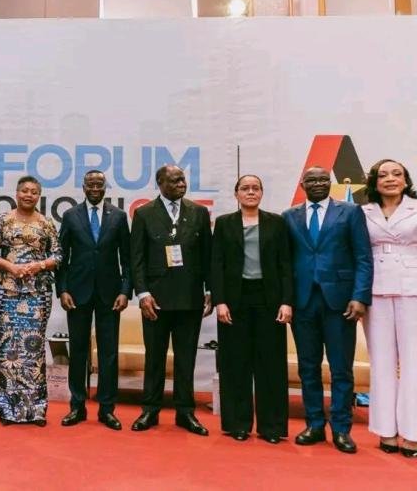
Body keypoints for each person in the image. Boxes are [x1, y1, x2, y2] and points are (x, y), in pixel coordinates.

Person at [282, 166, 373, 454]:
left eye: (324, 179)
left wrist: (359, 296)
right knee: (308, 368)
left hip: (340, 302)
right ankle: (314, 425)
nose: (319, 183)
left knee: (340, 369)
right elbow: (284, 263)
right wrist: (286, 300)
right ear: (302, 183)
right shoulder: (289, 216)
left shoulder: (350, 212)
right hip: (303, 302)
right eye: (312, 179)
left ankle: (342, 429)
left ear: (330, 182)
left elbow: (363, 257)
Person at [130, 165, 212, 436]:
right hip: (155, 300)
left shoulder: (199, 212)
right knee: (155, 357)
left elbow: (207, 255)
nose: (181, 184)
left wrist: (210, 289)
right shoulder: (144, 213)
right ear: (160, 183)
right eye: (174, 180)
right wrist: (142, 293)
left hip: (190, 298)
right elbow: (136, 258)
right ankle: (150, 409)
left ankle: (185, 412)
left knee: (186, 358)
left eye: (183, 180)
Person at [211, 175, 293, 443]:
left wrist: (287, 301)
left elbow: (285, 264)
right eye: (245, 188)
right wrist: (220, 301)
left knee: (271, 364)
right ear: (236, 194)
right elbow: (217, 264)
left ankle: (272, 427)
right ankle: (237, 424)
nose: (250, 192)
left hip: (270, 300)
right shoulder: (224, 223)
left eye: (255, 188)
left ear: (262, 193)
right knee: (235, 363)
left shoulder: (277, 223)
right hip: (235, 301)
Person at [56, 170, 131, 430]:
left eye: (100, 184)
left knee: (108, 353)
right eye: (91, 184)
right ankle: (77, 406)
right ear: (83, 187)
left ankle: (107, 409)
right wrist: (62, 289)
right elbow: (61, 258)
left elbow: (127, 259)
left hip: (111, 295)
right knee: (78, 351)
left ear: (105, 187)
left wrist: (125, 291)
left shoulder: (119, 216)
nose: (95, 188)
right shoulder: (70, 215)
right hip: (77, 294)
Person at [0, 176, 61, 426]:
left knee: (34, 349)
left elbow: (58, 255)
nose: (29, 195)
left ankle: (35, 410)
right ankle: (7, 409)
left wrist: (39, 265)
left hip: (38, 293)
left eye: (34, 192)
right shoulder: (2, 220)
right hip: (6, 291)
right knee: (7, 348)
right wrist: (11, 267)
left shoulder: (46, 223)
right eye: (25, 191)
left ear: (39, 195)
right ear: (16, 193)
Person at [360, 159, 417, 457]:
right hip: (376, 288)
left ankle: (413, 433)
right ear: (374, 182)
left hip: (413, 287)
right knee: (381, 361)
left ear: (406, 180)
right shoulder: (362, 212)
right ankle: (386, 430)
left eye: (396, 174)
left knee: (413, 362)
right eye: (383, 175)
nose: (390, 179)